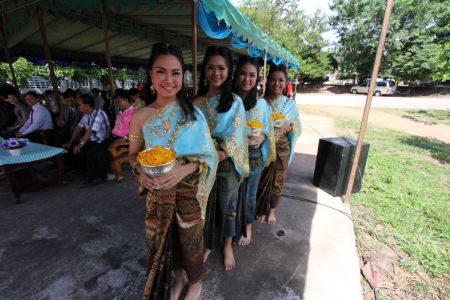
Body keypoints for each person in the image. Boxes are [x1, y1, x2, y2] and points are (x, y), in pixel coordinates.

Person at [128, 43, 217, 300]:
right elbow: (133, 155)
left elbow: (208, 156)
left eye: (176, 73)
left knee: (190, 240)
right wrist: (139, 172)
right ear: (150, 75)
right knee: (165, 244)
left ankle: (196, 282)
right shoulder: (140, 116)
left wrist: (183, 169)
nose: (169, 80)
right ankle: (178, 279)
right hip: (158, 194)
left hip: (189, 191)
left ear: (183, 76)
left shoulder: (194, 114)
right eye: (161, 71)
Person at [193, 46, 249, 271]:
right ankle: (207, 244)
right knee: (202, 203)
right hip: (201, 164)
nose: (216, 73)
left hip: (226, 163)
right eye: (211, 67)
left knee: (228, 205)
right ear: (204, 70)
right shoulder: (196, 101)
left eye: (221, 68)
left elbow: (237, 136)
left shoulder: (235, 102)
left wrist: (219, 153)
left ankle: (227, 245)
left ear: (229, 71)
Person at [232, 56, 275, 246]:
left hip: (254, 156)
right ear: (235, 75)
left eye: (252, 75)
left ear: (257, 78)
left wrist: (263, 137)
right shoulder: (228, 101)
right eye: (242, 73)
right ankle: (229, 229)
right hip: (230, 156)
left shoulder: (262, 104)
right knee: (232, 194)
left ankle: (247, 226)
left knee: (250, 193)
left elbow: (268, 128)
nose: (246, 79)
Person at [256, 65, 301, 224]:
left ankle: (272, 210)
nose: (277, 83)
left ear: (286, 82)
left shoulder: (290, 105)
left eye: (280, 80)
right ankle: (260, 208)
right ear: (267, 82)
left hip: (282, 149)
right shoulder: (261, 102)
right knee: (261, 178)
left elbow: (296, 126)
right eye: (273, 79)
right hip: (263, 147)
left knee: (278, 181)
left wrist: (285, 127)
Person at [63, 94, 111, 187]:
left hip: (102, 140)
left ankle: (97, 177)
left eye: (80, 105)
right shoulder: (87, 114)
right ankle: (85, 172)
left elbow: (90, 131)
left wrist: (81, 144)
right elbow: (78, 127)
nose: (78, 106)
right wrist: (70, 142)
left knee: (89, 150)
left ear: (87, 106)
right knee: (74, 148)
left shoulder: (98, 113)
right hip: (92, 140)